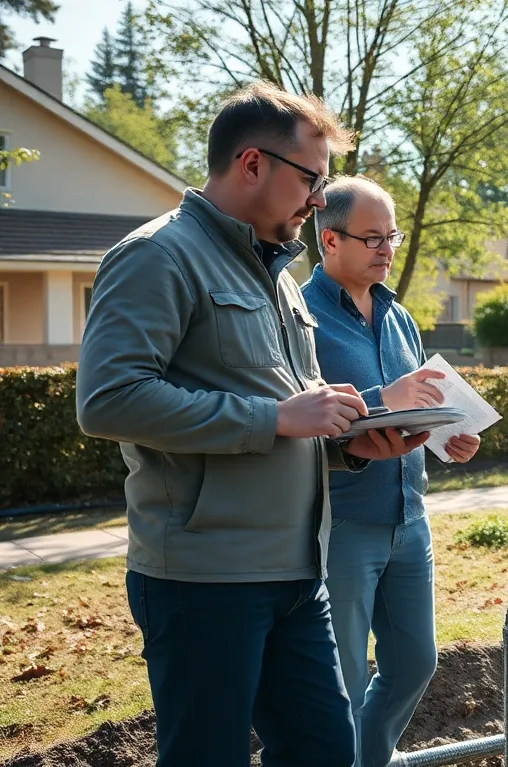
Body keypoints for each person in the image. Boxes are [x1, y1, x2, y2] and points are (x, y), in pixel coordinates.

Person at [76, 82, 430, 767]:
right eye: (311, 179)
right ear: (251, 164)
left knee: (327, 753)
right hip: (204, 581)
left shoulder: (279, 278)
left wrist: (351, 444)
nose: (319, 199)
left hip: (298, 575)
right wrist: (275, 417)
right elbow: (109, 400)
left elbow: (292, 419)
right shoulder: (157, 256)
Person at [303, 176, 481, 767]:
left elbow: (420, 401)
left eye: (392, 236)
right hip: (344, 524)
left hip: (410, 520)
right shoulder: (299, 318)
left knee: (414, 664)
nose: (386, 250)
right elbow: (307, 416)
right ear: (330, 239)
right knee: (345, 680)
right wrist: (385, 397)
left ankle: (369, 758)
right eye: (372, 238)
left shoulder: (398, 316)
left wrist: (450, 437)